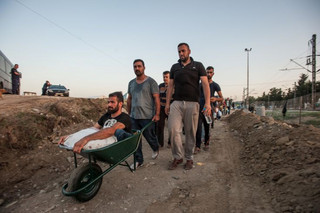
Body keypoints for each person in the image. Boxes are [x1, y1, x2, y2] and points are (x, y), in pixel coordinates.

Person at [165, 43, 211, 170]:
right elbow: (170, 86)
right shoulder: (175, 67)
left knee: (191, 132)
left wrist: (207, 103)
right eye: (179, 51)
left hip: (193, 103)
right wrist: (168, 103)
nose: (181, 53)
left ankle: (189, 158)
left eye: (183, 51)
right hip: (177, 103)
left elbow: (206, 85)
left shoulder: (198, 66)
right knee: (173, 130)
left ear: (189, 51)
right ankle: (178, 156)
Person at [58, 91, 132, 154]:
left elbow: (111, 131)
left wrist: (85, 139)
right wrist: (71, 136)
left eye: (112, 102)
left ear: (120, 104)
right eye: (108, 102)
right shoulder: (106, 115)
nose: (109, 105)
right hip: (105, 140)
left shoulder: (125, 117)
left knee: (117, 131)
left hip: (116, 146)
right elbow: (93, 129)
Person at [127, 59, 160, 169]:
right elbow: (129, 99)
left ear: (144, 67)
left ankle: (155, 147)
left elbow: (156, 99)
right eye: (135, 66)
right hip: (134, 117)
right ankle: (138, 160)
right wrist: (128, 113)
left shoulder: (151, 82)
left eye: (139, 66)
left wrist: (157, 114)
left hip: (147, 117)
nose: (137, 68)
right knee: (135, 140)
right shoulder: (131, 83)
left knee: (150, 137)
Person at [195, 66, 223, 153]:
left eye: (210, 72)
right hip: (199, 109)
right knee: (198, 128)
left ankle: (206, 143)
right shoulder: (200, 85)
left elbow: (222, 98)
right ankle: (197, 146)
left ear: (213, 74)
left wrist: (216, 100)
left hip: (209, 110)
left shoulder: (215, 85)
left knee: (207, 128)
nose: (209, 74)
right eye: (207, 72)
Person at [156, 71, 172, 148]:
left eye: (166, 77)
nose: (165, 78)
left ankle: (170, 142)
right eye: (164, 77)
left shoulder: (173, 86)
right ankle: (160, 143)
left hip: (171, 109)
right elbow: (157, 97)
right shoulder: (160, 86)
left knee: (171, 127)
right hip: (162, 108)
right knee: (160, 126)